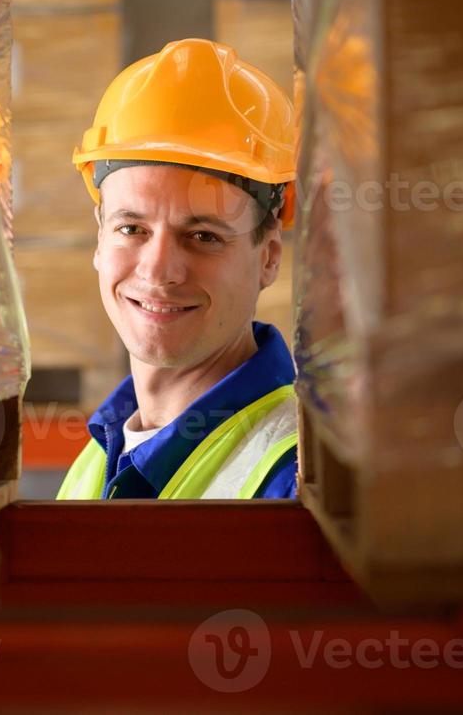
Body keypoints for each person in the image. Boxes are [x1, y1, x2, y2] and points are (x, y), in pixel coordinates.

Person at [56, 38, 301, 499]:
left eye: (204, 236)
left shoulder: (293, 479)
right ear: (99, 238)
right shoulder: (98, 457)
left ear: (268, 257)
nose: (159, 270)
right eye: (132, 229)